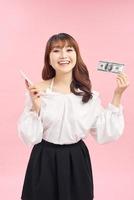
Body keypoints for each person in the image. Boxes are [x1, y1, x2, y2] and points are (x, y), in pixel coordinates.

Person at [17, 33, 129, 200]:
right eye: (56, 50)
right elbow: (29, 136)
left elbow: (105, 132)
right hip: (44, 158)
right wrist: (36, 105)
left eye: (69, 49)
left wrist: (118, 94)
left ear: (76, 55)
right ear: (49, 58)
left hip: (76, 160)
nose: (63, 55)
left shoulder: (87, 95)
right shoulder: (38, 90)